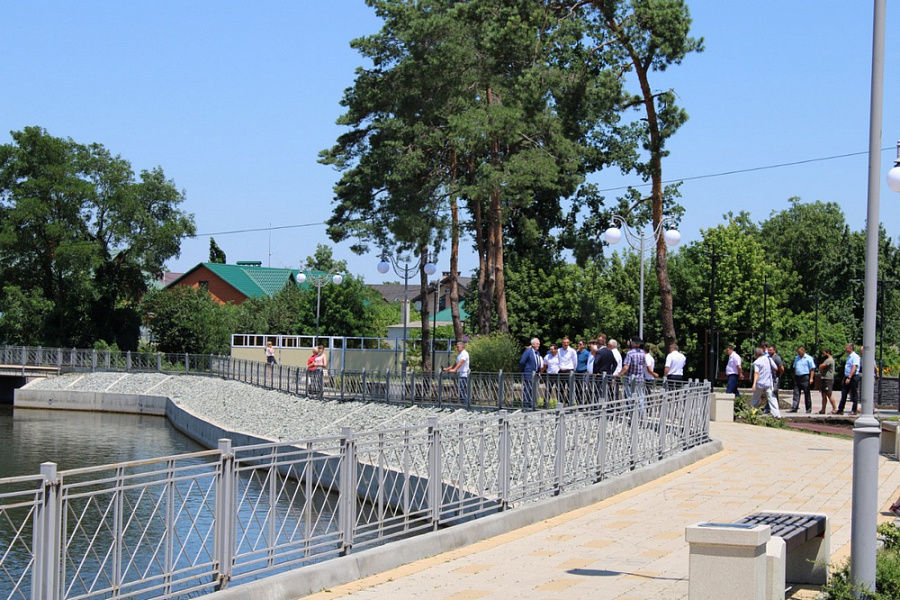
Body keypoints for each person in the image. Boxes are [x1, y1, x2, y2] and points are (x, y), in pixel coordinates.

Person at [750, 346, 781, 417]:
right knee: (772, 398)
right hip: (768, 382)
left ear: (756, 354)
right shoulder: (769, 359)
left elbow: (756, 373)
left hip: (759, 383)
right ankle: (776, 414)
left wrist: (754, 384)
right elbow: (776, 368)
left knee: (756, 398)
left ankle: (752, 413)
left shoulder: (757, 362)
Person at [790, 346, 816, 413]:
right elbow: (794, 367)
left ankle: (808, 408)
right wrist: (795, 375)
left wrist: (811, 378)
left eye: (800, 352)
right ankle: (794, 407)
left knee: (806, 393)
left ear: (803, 351)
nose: (799, 353)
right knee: (796, 393)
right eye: (798, 352)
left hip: (805, 376)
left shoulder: (809, 358)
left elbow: (812, 369)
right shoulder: (797, 358)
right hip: (797, 377)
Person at [837, 343, 861, 415]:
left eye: (847, 348)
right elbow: (847, 368)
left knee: (854, 393)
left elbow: (854, 367)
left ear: (851, 348)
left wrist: (849, 377)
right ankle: (840, 410)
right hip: (847, 376)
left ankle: (854, 410)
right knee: (844, 393)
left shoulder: (855, 356)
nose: (846, 349)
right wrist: (845, 378)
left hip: (853, 377)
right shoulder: (849, 356)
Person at [519, 338, 543, 409]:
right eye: (537, 344)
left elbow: (538, 363)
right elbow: (522, 362)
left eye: (539, 344)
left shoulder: (537, 352)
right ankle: (526, 406)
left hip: (536, 374)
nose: (539, 345)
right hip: (528, 373)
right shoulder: (528, 352)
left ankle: (531, 405)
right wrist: (525, 370)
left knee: (533, 390)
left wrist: (538, 372)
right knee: (527, 389)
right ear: (533, 344)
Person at [557, 337, 578, 405]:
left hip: (569, 371)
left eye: (567, 342)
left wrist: (573, 370)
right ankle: (560, 403)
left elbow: (575, 361)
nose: (566, 344)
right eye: (564, 342)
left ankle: (569, 403)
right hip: (561, 371)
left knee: (570, 388)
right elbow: (557, 360)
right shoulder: (559, 350)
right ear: (562, 343)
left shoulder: (572, 351)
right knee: (560, 388)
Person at [818, 348, 837, 414]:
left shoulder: (830, 360)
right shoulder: (826, 360)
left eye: (824, 353)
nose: (823, 355)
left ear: (827, 353)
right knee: (823, 395)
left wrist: (820, 366)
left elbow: (822, 366)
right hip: (824, 378)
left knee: (829, 394)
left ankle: (835, 408)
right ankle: (823, 410)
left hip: (828, 379)